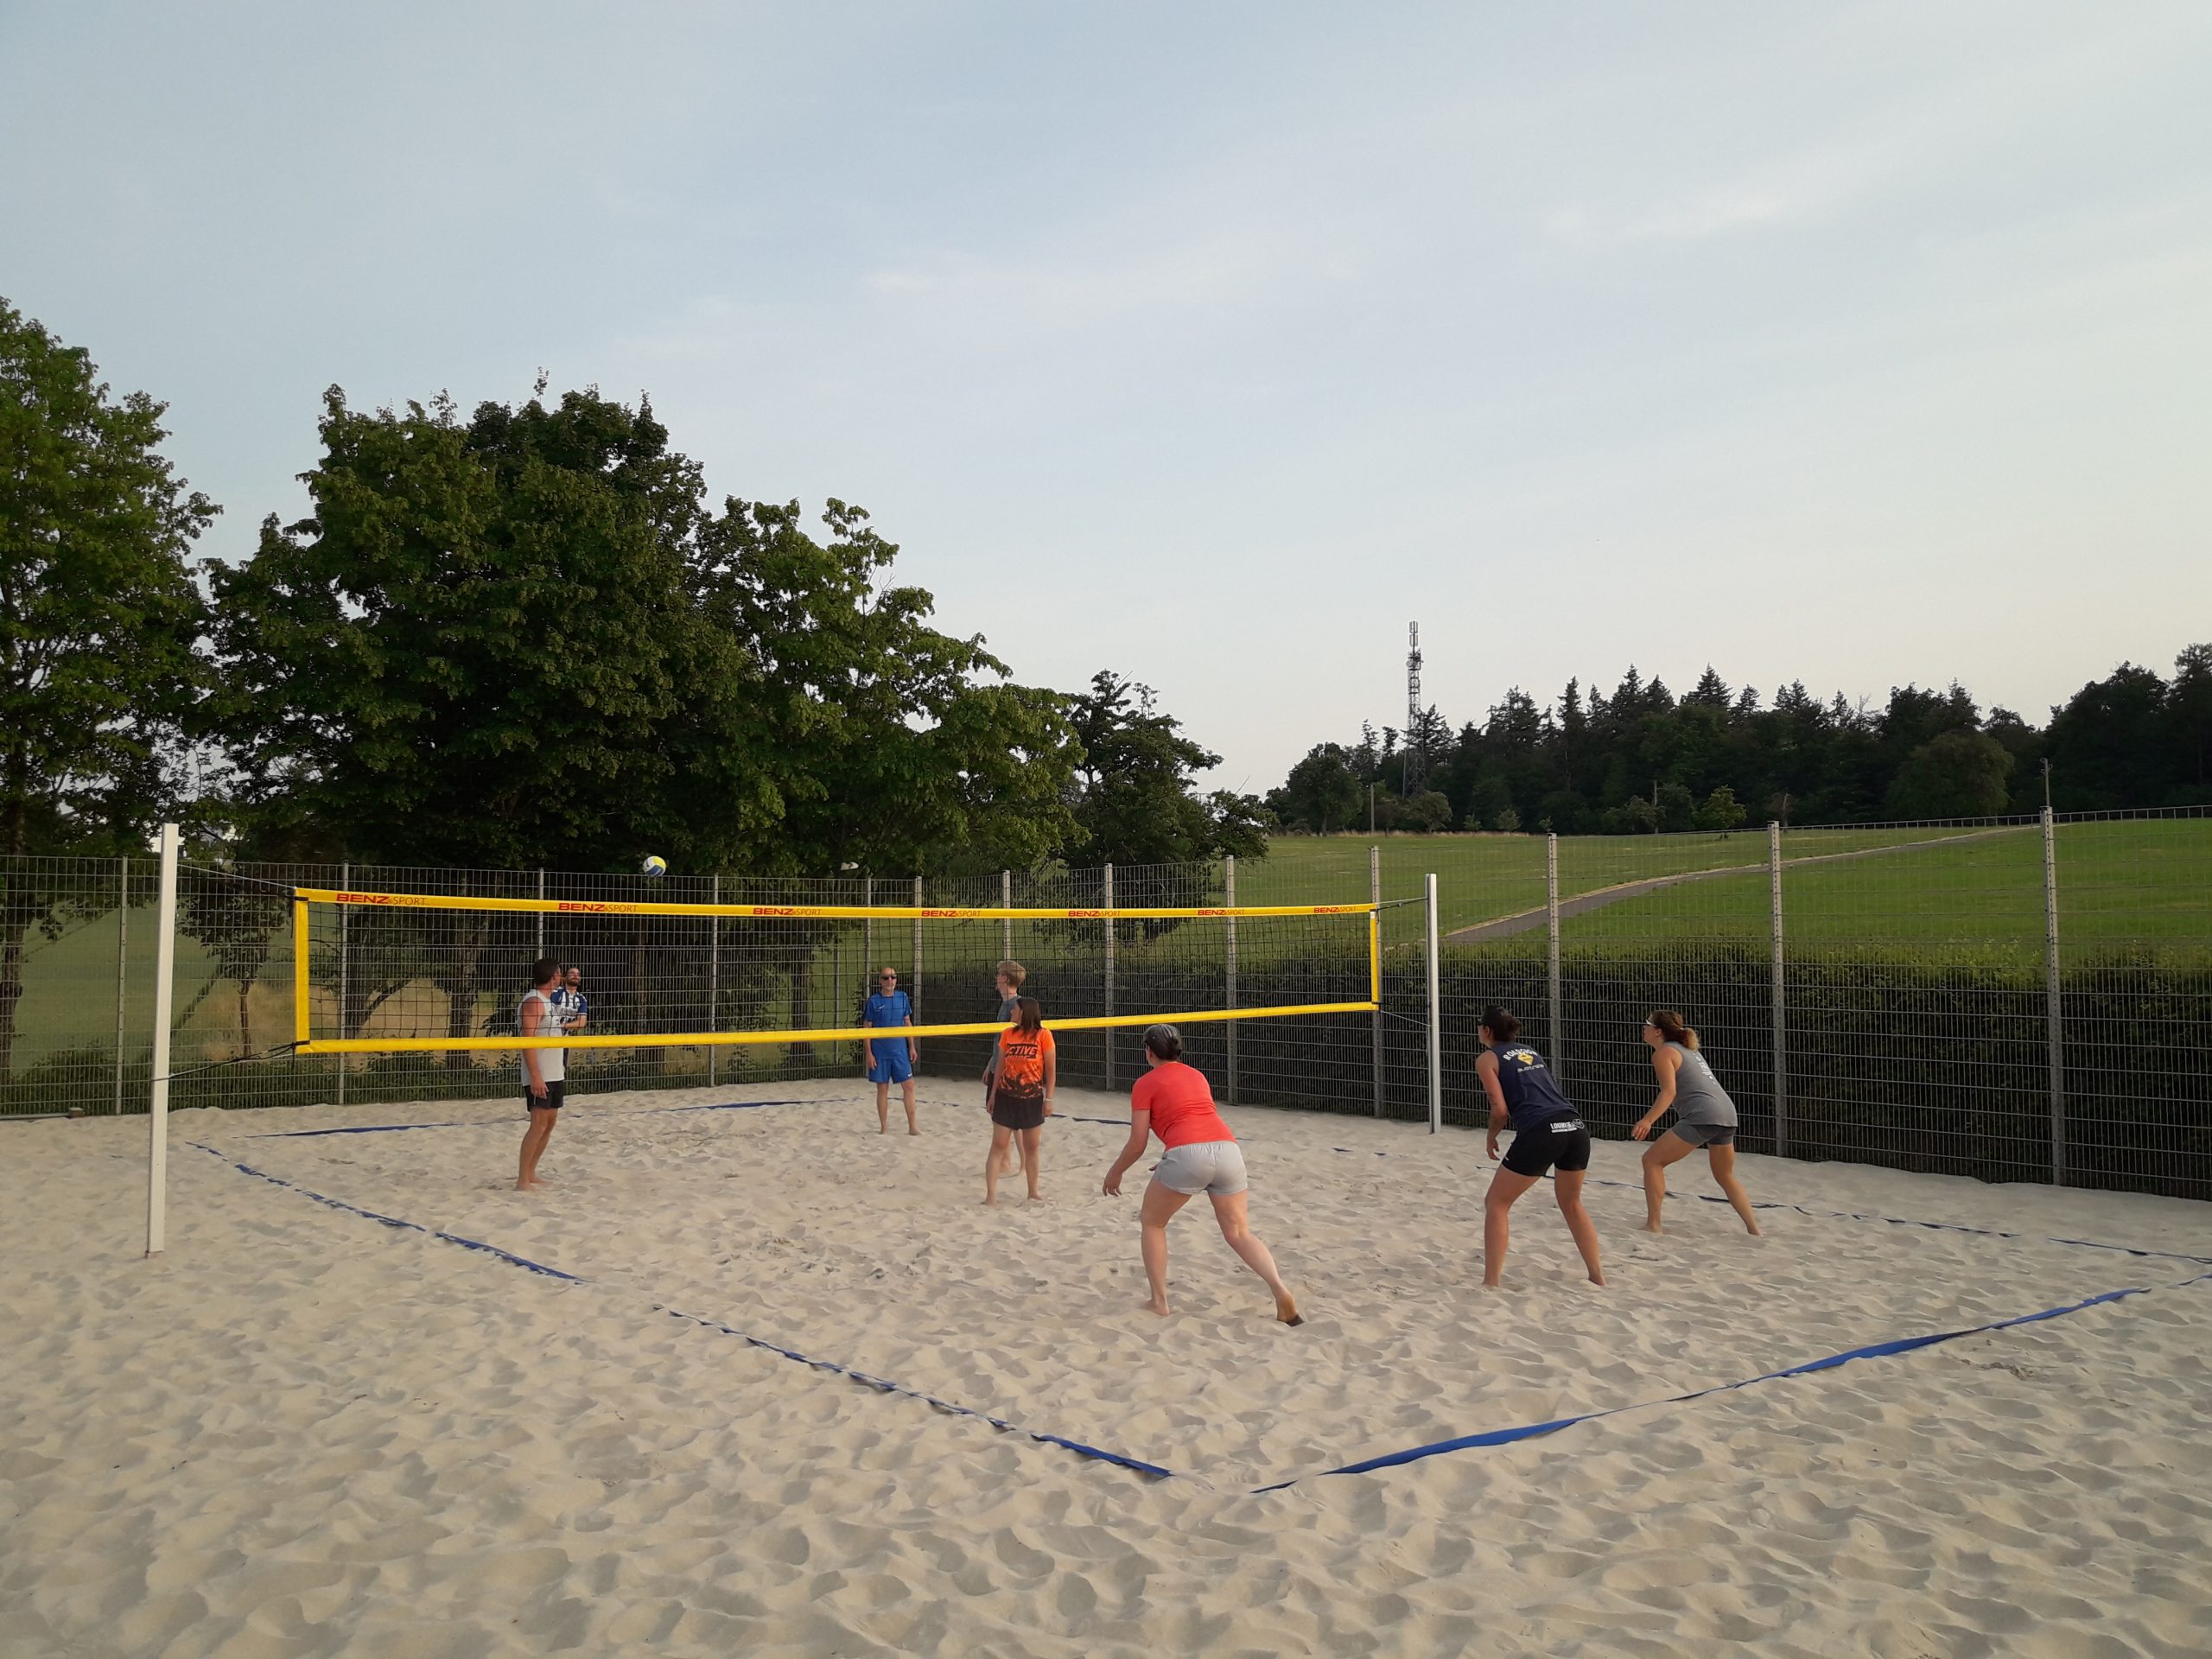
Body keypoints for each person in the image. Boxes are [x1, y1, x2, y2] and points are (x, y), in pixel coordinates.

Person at [1102, 1025, 1302, 1325]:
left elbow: (1137, 1143)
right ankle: (1278, 1287)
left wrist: (1115, 1173)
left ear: (1149, 1052)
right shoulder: (1197, 1075)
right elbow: (1195, 1119)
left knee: (1152, 1223)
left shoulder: (1145, 1083)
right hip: (1227, 1149)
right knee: (1239, 1233)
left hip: (1187, 1155)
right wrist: (1175, 1157)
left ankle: (1159, 1302)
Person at [1475, 1006, 1605, 1288]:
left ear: (1486, 1030)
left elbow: (1500, 1110)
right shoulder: (1529, 1051)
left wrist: (1491, 1136)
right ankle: (1597, 1276)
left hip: (1542, 1130)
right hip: (1575, 1127)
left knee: (1496, 1203)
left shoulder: (1487, 1059)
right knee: (1572, 1203)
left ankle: (1491, 1282)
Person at [1631, 1010, 1761, 1235]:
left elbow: (1669, 1092)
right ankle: (1754, 1229)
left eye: (1647, 1024)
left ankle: (1654, 1225)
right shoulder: (1689, 1050)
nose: (1644, 1028)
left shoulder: (1664, 1053)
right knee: (1725, 1175)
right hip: (1727, 1113)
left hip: (1704, 1114)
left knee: (1652, 1161)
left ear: (1658, 1031)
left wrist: (1648, 1120)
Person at [983, 995, 1054, 1205]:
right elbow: (1000, 1068)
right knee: (998, 1145)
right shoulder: (1008, 1034)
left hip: (1031, 1098)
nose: (1011, 1012)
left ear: (1024, 1012)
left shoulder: (1043, 1036)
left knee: (1032, 1147)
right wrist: (993, 1095)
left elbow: (1050, 1072)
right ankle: (990, 1196)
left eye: (1014, 1009)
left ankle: (1033, 1191)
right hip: (1006, 1097)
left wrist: (1048, 1099)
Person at [516, 957, 565, 1192]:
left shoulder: (548, 1001)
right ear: (553, 975)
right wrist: (535, 1076)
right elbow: (528, 1041)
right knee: (538, 1123)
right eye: (559, 973)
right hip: (541, 1073)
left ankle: (532, 1173)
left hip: (555, 1071)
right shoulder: (533, 1002)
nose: (561, 976)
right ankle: (522, 1180)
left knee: (550, 1122)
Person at [982, 960, 1027, 1177]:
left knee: (1009, 1120)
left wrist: (1000, 1069)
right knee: (1003, 1119)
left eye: (999, 975)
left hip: (1009, 1070)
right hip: (998, 1066)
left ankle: (1018, 1164)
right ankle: (1007, 1163)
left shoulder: (1016, 1006)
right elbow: (1000, 1042)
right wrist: (990, 1065)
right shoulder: (1006, 1004)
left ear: (1006, 979)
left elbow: (1015, 1044)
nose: (996, 978)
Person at [861, 966, 918, 1135]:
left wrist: (912, 1046)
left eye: (893, 977)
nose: (890, 981)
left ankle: (913, 1127)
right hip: (880, 1052)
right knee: (883, 1088)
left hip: (900, 1051)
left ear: (896, 979)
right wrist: (869, 1053)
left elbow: (907, 1023)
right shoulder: (874, 1001)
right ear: (880, 981)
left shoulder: (902, 998)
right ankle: (884, 1127)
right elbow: (866, 1029)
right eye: (886, 978)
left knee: (909, 1086)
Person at [549, 964, 589, 1039]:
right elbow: (548, 1014)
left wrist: (561, 1025)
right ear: (565, 978)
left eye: (578, 974)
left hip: (565, 1037)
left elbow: (581, 1023)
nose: (575, 976)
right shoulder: (556, 993)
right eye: (572, 973)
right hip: (549, 1035)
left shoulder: (581, 999)